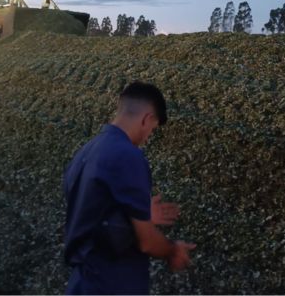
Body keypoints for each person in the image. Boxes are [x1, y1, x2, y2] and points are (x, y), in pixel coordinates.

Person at [63, 81, 196, 295]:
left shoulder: (85, 153)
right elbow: (147, 243)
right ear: (147, 119)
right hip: (114, 284)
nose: (146, 139)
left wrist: (142, 215)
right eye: (151, 131)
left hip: (82, 283)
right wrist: (172, 250)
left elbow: (91, 217)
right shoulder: (127, 156)